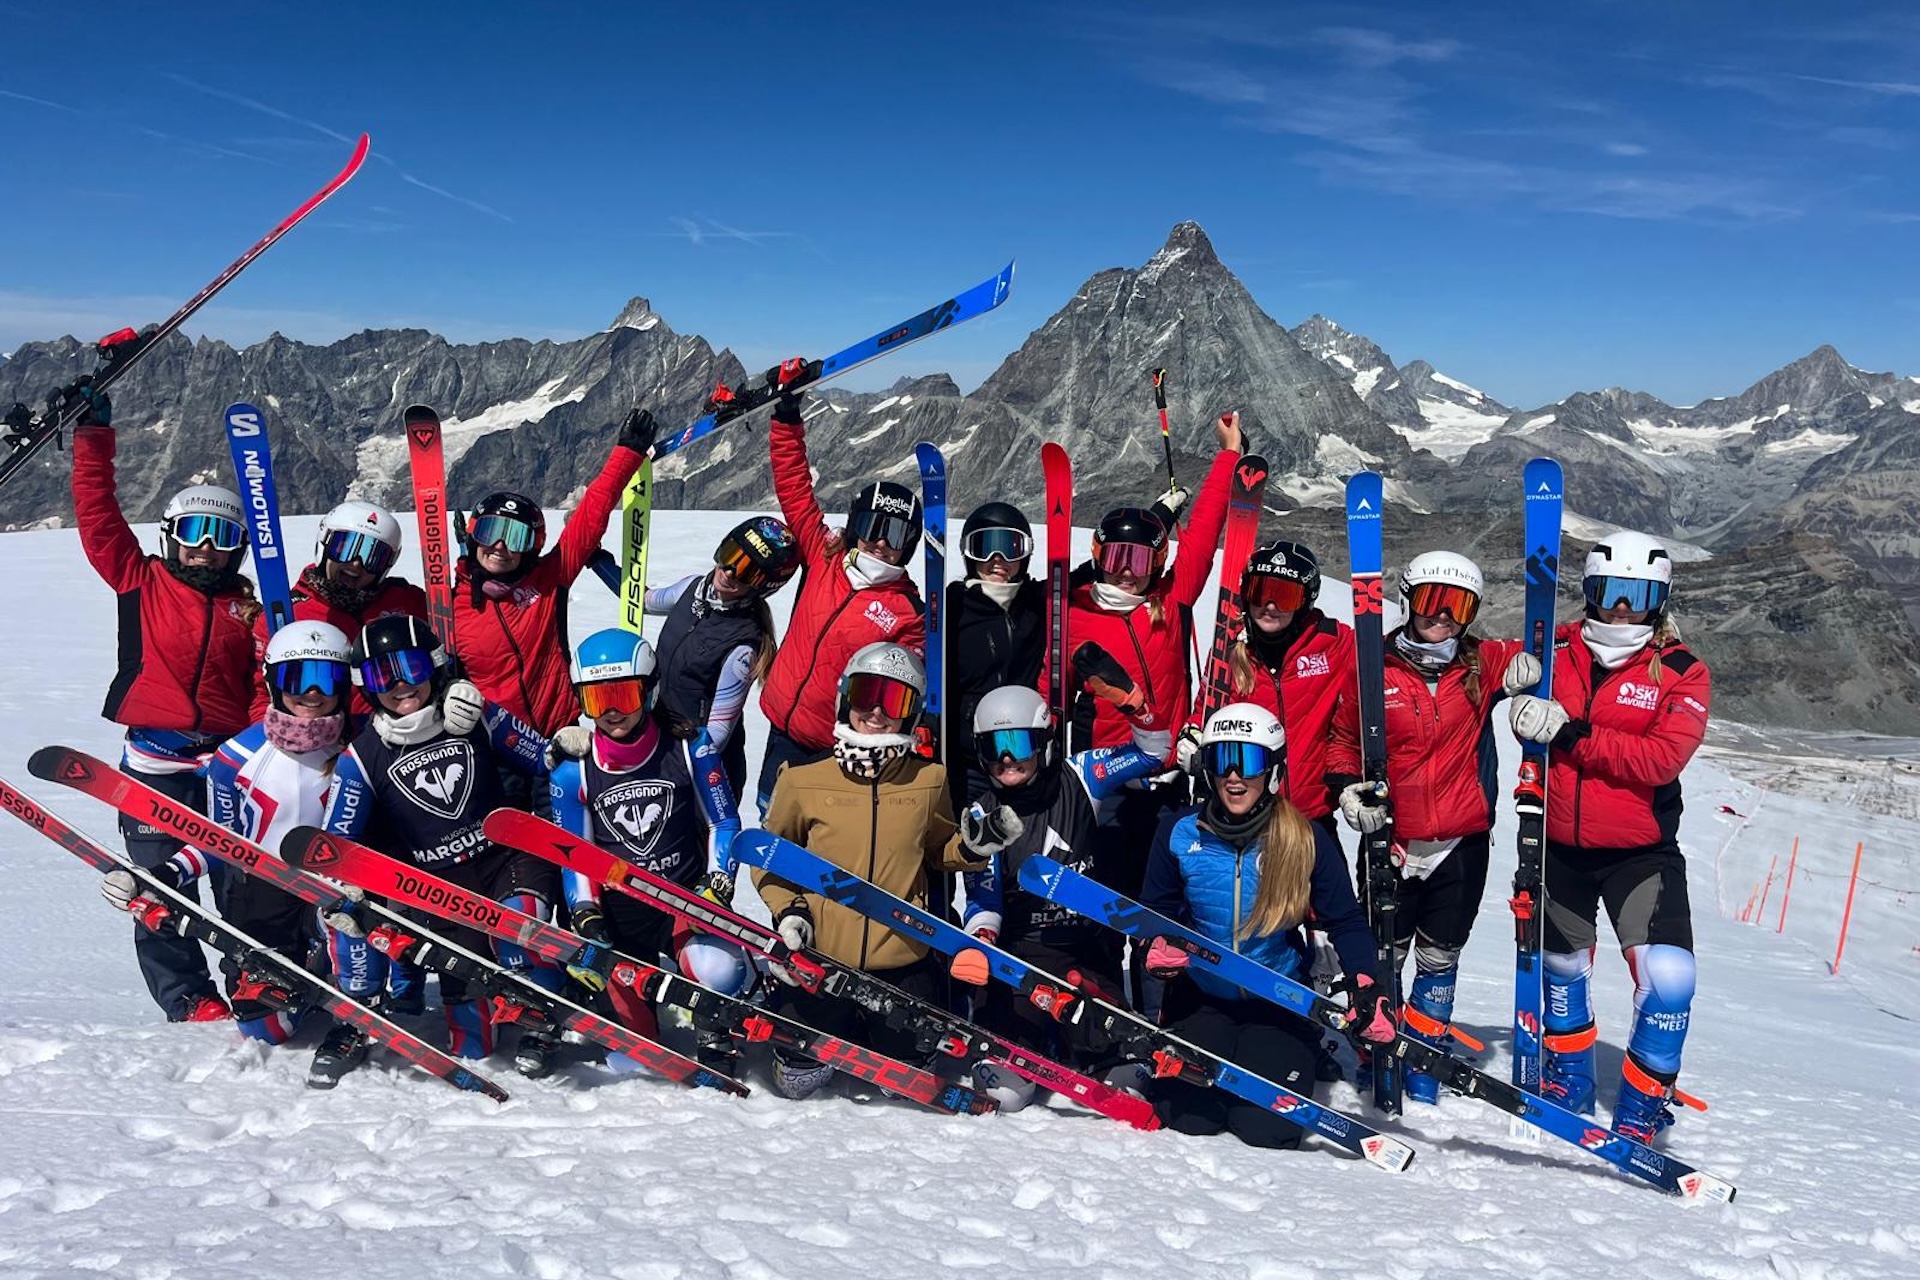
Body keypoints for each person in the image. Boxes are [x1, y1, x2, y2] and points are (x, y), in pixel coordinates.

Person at [1508, 529, 1711, 1146]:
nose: (1623, 608)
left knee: (1670, 980)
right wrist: (1506, 676)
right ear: (1591, 591)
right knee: (1563, 970)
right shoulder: (1558, 647)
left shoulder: (1682, 672)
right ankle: (1569, 1078)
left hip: (1639, 853)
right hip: (1559, 847)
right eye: (1610, 592)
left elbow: (1658, 761)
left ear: (1660, 598)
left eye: (1638, 594)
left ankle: (1643, 1104)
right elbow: (1485, 669)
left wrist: (1568, 733)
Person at [70, 385, 257, 1024]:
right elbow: (99, 516)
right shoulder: (140, 579)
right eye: (194, 533)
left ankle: (256, 979)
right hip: (154, 764)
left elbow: (264, 686)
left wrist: (264, 744)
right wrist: (93, 441)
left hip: (227, 767)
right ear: (172, 537)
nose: (205, 547)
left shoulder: (248, 611)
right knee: (157, 884)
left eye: (221, 535)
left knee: (242, 883)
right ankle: (187, 996)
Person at [1325, 550, 1537, 1102]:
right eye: (1429, 603)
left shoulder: (1482, 664)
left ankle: (1424, 1057)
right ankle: (1377, 1052)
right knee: (1383, 954)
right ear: (1408, 601)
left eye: (1457, 606)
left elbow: (1556, 642)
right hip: (1392, 837)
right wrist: (1346, 787)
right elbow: (1343, 739)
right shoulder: (1375, 665)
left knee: (1440, 955)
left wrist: (1534, 657)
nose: (1441, 616)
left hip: (1460, 841)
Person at [315, 616, 564, 1085]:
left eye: (409, 667)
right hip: (443, 892)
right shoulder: (361, 757)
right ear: (365, 688)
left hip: (507, 860)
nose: (400, 685)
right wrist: (344, 884)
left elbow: (544, 757)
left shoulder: (472, 715)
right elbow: (336, 843)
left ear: (432, 665)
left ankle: (540, 1019)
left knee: (517, 934)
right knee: (472, 1045)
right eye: (380, 676)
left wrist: (570, 748)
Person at [1140, 704, 1395, 1149]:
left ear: (1274, 770)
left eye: (1250, 761)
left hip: (1277, 1003)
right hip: (1202, 998)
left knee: (1266, 1129)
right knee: (1189, 1116)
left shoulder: (1304, 838)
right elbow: (1152, 911)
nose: (1234, 777)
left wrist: (1367, 983)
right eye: (1222, 760)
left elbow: (1347, 920)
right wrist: (1154, 944)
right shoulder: (1177, 833)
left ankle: (1301, 1051)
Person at [97, 622, 354, 1046]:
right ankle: (306, 975)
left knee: (340, 925)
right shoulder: (234, 759)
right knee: (264, 1029)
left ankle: (345, 978)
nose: (312, 693)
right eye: (296, 678)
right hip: (266, 896)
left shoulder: (358, 749)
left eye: (326, 679)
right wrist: (164, 875)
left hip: (337, 894)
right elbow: (220, 842)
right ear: (273, 682)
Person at [753, 643, 981, 1100]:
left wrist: (976, 846)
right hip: (824, 958)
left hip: (901, 959)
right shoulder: (801, 779)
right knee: (798, 1080)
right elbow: (769, 859)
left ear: (911, 714)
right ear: (845, 699)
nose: (876, 712)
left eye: (894, 701)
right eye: (866, 695)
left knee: (906, 1077)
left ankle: (887, 1022)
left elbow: (939, 851)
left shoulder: (928, 779)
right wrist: (789, 912)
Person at [549, 628, 756, 1074]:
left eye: (623, 694)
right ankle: (624, 1009)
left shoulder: (689, 745)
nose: (610, 712)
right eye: (595, 700)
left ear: (650, 688)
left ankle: (712, 1023)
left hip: (683, 898)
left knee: (720, 972)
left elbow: (723, 821)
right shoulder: (574, 770)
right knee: (635, 1062)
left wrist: (718, 880)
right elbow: (575, 852)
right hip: (621, 912)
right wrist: (585, 912)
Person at [956, 683, 1165, 1109]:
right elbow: (984, 899)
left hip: (1088, 951)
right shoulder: (981, 814)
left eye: (1017, 744)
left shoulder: (1082, 773)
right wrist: (981, 937)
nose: (1007, 759)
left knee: (1126, 1082)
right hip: (1022, 957)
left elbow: (1154, 752)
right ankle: (1031, 1034)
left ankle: (1082, 1042)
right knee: (1007, 1093)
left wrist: (1134, 703)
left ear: (1044, 741)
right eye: (995, 747)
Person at [758, 389, 926, 814]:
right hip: (780, 732)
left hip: (837, 753)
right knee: (772, 836)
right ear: (856, 527)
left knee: (819, 854)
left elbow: (906, 681)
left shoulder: (907, 613)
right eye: (874, 526)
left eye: (898, 535)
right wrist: (786, 420)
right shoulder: (824, 556)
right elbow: (795, 491)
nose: (882, 543)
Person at [450, 408, 654, 745]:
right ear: (473, 536)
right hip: (495, 748)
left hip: (561, 737)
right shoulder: (449, 605)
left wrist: (627, 454)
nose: (501, 546)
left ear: (532, 546)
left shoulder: (549, 579)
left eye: (516, 537)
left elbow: (590, 517)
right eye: (491, 531)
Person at [1180, 540, 1356, 833]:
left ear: (1306, 600)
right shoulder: (1230, 651)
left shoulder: (1335, 644)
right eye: (1260, 593)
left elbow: (1383, 672)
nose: (1270, 606)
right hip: (1243, 816)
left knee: (1327, 880)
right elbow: (1207, 709)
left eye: (1285, 596)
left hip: (1309, 817)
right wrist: (1193, 735)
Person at [643, 516, 799, 805]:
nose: (728, 571)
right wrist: (600, 560)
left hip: (702, 775)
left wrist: (667, 761)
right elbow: (644, 600)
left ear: (762, 586)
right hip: (656, 743)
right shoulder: (692, 589)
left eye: (745, 572)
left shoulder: (743, 648)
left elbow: (717, 734)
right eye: (730, 555)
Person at [248, 500, 427, 719]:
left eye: (373, 556)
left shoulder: (409, 603)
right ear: (324, 545)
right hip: (320, 740)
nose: (356, 564)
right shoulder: (288, 612)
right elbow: (261, 691)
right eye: (345, 548)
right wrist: (270, 739)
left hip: (398, 733)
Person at [944, 502, 1047, 808]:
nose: (997, 560)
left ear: (1025, 554)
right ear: (968, 553)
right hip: (967, 759)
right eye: (984, 547)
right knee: (969, 845)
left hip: (1023, 756)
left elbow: (1092, 577)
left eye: (1010, 548)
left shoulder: (1036, 603)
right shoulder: (952, 607)